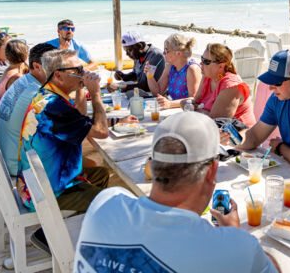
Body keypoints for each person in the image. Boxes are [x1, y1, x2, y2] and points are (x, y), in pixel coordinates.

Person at [74, 112, 279, 273]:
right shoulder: (237, 250)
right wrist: (235, 236)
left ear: (152, 166)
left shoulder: (105, 202)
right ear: (211, 172)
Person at [16, 49, 136, 213]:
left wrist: (81, 87)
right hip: (51, 192)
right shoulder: (55, 107)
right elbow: (101, 132)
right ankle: (95, 220)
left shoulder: (45, 95)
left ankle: (88, 218)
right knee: (117, 204)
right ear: (58, 75)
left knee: (100, 173)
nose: (84, 73)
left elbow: (77, 118)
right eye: (78, 70)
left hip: (34, 183)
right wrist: (95, 94)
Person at [0, 43, 56, 176]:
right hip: (20, 168)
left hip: (6, 160)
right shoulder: (38, 94)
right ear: (36, 66)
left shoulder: (22, 82)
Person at [183, 43, 256, 127]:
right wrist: (182, 103)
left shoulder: (231, 86)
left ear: (221, 66)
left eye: (206, 61)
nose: (201, 63)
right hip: (211, 131)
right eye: (202, 59)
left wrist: (194, 109)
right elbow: (195, 102)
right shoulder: (208, 77)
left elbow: (216, 122)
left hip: (238, 135)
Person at [146, 33, 201, 109]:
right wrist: (149, 76)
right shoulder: (170, 66)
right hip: (175, 110)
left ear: (178, 53)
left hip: (188, 113)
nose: (163, 53)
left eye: (166, 50)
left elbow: (194, 99)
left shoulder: (192, 69)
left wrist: (170, 104)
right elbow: (158, 92)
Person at [107, 31, 165, 96]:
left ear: (139, 46)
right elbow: (136, 75)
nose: (127, 54)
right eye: (126, 51)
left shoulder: (156, 55)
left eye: (129, 50)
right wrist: (124, 76)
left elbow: (148, 85)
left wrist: (119, 87)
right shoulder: (138, 56)